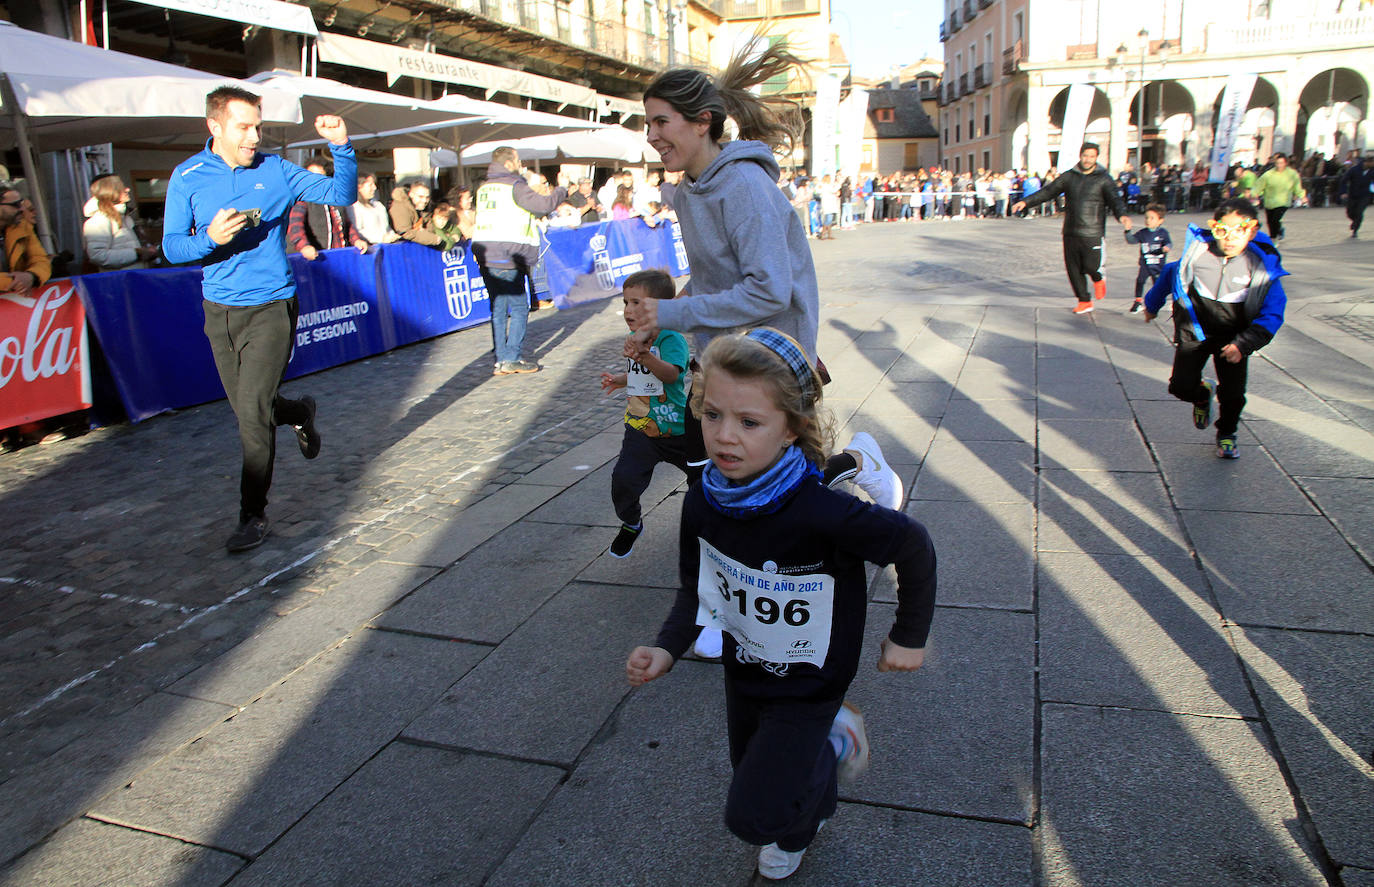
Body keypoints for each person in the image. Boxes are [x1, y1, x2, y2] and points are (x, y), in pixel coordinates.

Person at [625, 329, 936, 882]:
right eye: (713, 414)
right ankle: (807, 814)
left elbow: (913, 545)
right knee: (758, 777)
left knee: (753, 813)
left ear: (791, 428)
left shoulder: (823, 513)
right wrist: (667, 646)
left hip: (814, 682)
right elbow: (696, 588)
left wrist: (909, 634)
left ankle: (831, 738)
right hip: (745, 673)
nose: (724, 437)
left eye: (749, 422)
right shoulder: (703, 500)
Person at [162, 86, 352, 552]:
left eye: (258, 127)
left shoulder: (276, 169)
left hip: (272, 306)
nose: (253, 137)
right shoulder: (187, 176)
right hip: (220, 311)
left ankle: (253, 514)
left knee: (251, 416)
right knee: (255, 408)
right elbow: (172, 247)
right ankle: (299, 412)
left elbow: (340, 192)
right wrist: (207, 238)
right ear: (215, 127)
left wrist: (341, 147)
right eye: (243, 127)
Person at [1143, 199, 1288, 461]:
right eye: (1223, 231)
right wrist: (1152, 304)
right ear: (1214, 229)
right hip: (1195, 333)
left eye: (1239, 231)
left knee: (1233, 395)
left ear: (1252, 231)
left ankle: (1227, 433)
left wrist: (1245, 344)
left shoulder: (1261, 267)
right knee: (1180, 386)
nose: (1230, 238)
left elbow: (1273, 312)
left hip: (1234, 339)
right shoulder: (1198, 256)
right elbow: (1169, 274)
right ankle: (1202, 394)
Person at [598, 269, 691, 558]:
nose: (628, 310)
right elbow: (640, 374)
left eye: (637, 303)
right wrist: (619, 379)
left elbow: (672, 376)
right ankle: (631, 521)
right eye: (625, 302)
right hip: (639, 428)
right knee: (623, 481)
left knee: (703, 482)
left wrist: (645, 355)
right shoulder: (634, 335)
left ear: (659, 308)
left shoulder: (670, 338)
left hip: (676, 429)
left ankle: (713, 523)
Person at [472, 145, 566, 375]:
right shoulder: (514, 185)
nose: (521, 165)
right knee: (519, 307)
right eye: (518, 161)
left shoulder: (484, 187)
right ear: (509, 163)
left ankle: (501, 359)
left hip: (486, 253)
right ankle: (511, 358)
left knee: (498, 308)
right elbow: (544, 206)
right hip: (508, 254)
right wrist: (562, 188)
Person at [1012, 142, 1132, 314]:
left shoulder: (1104, 178)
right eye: (1085, 156)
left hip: (1093, 231)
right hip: (1070, 230)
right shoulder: (1069, 177)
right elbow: (1048, 191)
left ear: (1096, 158)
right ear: (1080, 156)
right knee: (1073, 269)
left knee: (1092, 266)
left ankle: (1098, 279)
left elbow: (1115, 200)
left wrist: (1122, 215)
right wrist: (1025, 202)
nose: (1088, 159)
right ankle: (1084, 300)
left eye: (1091, 156)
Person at [287, 156, 368, 260]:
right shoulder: (301, 200)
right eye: (311, 176)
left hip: (338, 257)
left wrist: (356, 240)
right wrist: (304, 246)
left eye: (320, 176)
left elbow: (347, 225)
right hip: (314, 260)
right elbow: (295, 227)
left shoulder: (335, 199)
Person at [82, 174, 159, 271]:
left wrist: (147, 251)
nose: (127, 189)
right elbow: (98, 256)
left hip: (136, 279)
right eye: (122, 187)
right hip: (120, 282)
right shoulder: (99, 221)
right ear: (110, 191)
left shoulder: (125, 218)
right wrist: (137, 253)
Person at [1, 185, 51, 298]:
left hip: (16, 305)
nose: (22, 209)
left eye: (21, 203)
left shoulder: (22, 227)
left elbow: (41, 259)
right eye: (16, 205)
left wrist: (31, 276)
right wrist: (16, 281)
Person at [1123, 203, 1171, 314]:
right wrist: (1127, 230)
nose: (1148, 220)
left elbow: (1168, 243)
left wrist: (1166, 248)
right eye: (1146, 218)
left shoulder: (1163, 233)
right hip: (1145, 264)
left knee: (1158, 285)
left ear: (1160, 220)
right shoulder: (1143, 233)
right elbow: (1131, 240)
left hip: (1158, 265)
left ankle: (1156, 303)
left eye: (1152, 218)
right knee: (1140, 281)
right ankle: (1138, 301)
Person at [1253, 153, 1305, 242]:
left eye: (1281, 163)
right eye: (1277, 163)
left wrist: (1301, 196)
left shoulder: (1292, 174)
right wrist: (1255, 194)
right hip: (1269, 201)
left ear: (1285, 163)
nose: (1279, 165)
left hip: (1283, 201)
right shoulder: (1269, 174)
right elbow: (1259, 184)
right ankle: (1279, 231)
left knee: (1275, 219)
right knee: (1270, 221)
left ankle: (1274, 237)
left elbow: (1297, 186)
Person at [348, 173, 397, 245]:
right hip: (370, 249)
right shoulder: (354, 207)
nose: (374, 187)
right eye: (370, 185)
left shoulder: (378, 205)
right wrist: (381, 239)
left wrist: (392, 236)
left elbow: (387, 227)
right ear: (359, 187)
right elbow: (358, 230)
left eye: (374, 184)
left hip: (387, 246)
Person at [389, 181, 440, 246]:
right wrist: (434, 239)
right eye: (420, 197)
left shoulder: (424, 208)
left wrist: (426, 233)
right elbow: (405, 232)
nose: (424, 201)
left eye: (427, 197)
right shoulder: (400, 206)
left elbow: (430, 226)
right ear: (411, 194)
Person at [1339, 153, 1374, 238]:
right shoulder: (1354, 170)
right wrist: (1343, 192)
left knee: (1359, 211)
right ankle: (1355, 221)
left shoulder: (1372, 171)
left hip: (1365, 195)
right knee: (1350, 212)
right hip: (1353, 194)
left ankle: (1355, 229)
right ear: (1367, 162)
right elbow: (1344, 181)